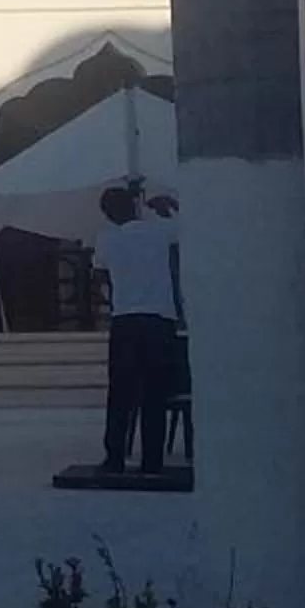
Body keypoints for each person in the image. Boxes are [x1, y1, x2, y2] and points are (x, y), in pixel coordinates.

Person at [90, 182, 182, 473]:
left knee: (121, 393)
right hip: (159, 319)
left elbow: (98, 275)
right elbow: (188, 227)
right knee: (155, 393)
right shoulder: (160, 232)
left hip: (125, 319)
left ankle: (114, 456)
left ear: (107, 214)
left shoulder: (106, 239)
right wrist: (165, 208)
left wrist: (114, 293)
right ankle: (152, 459)